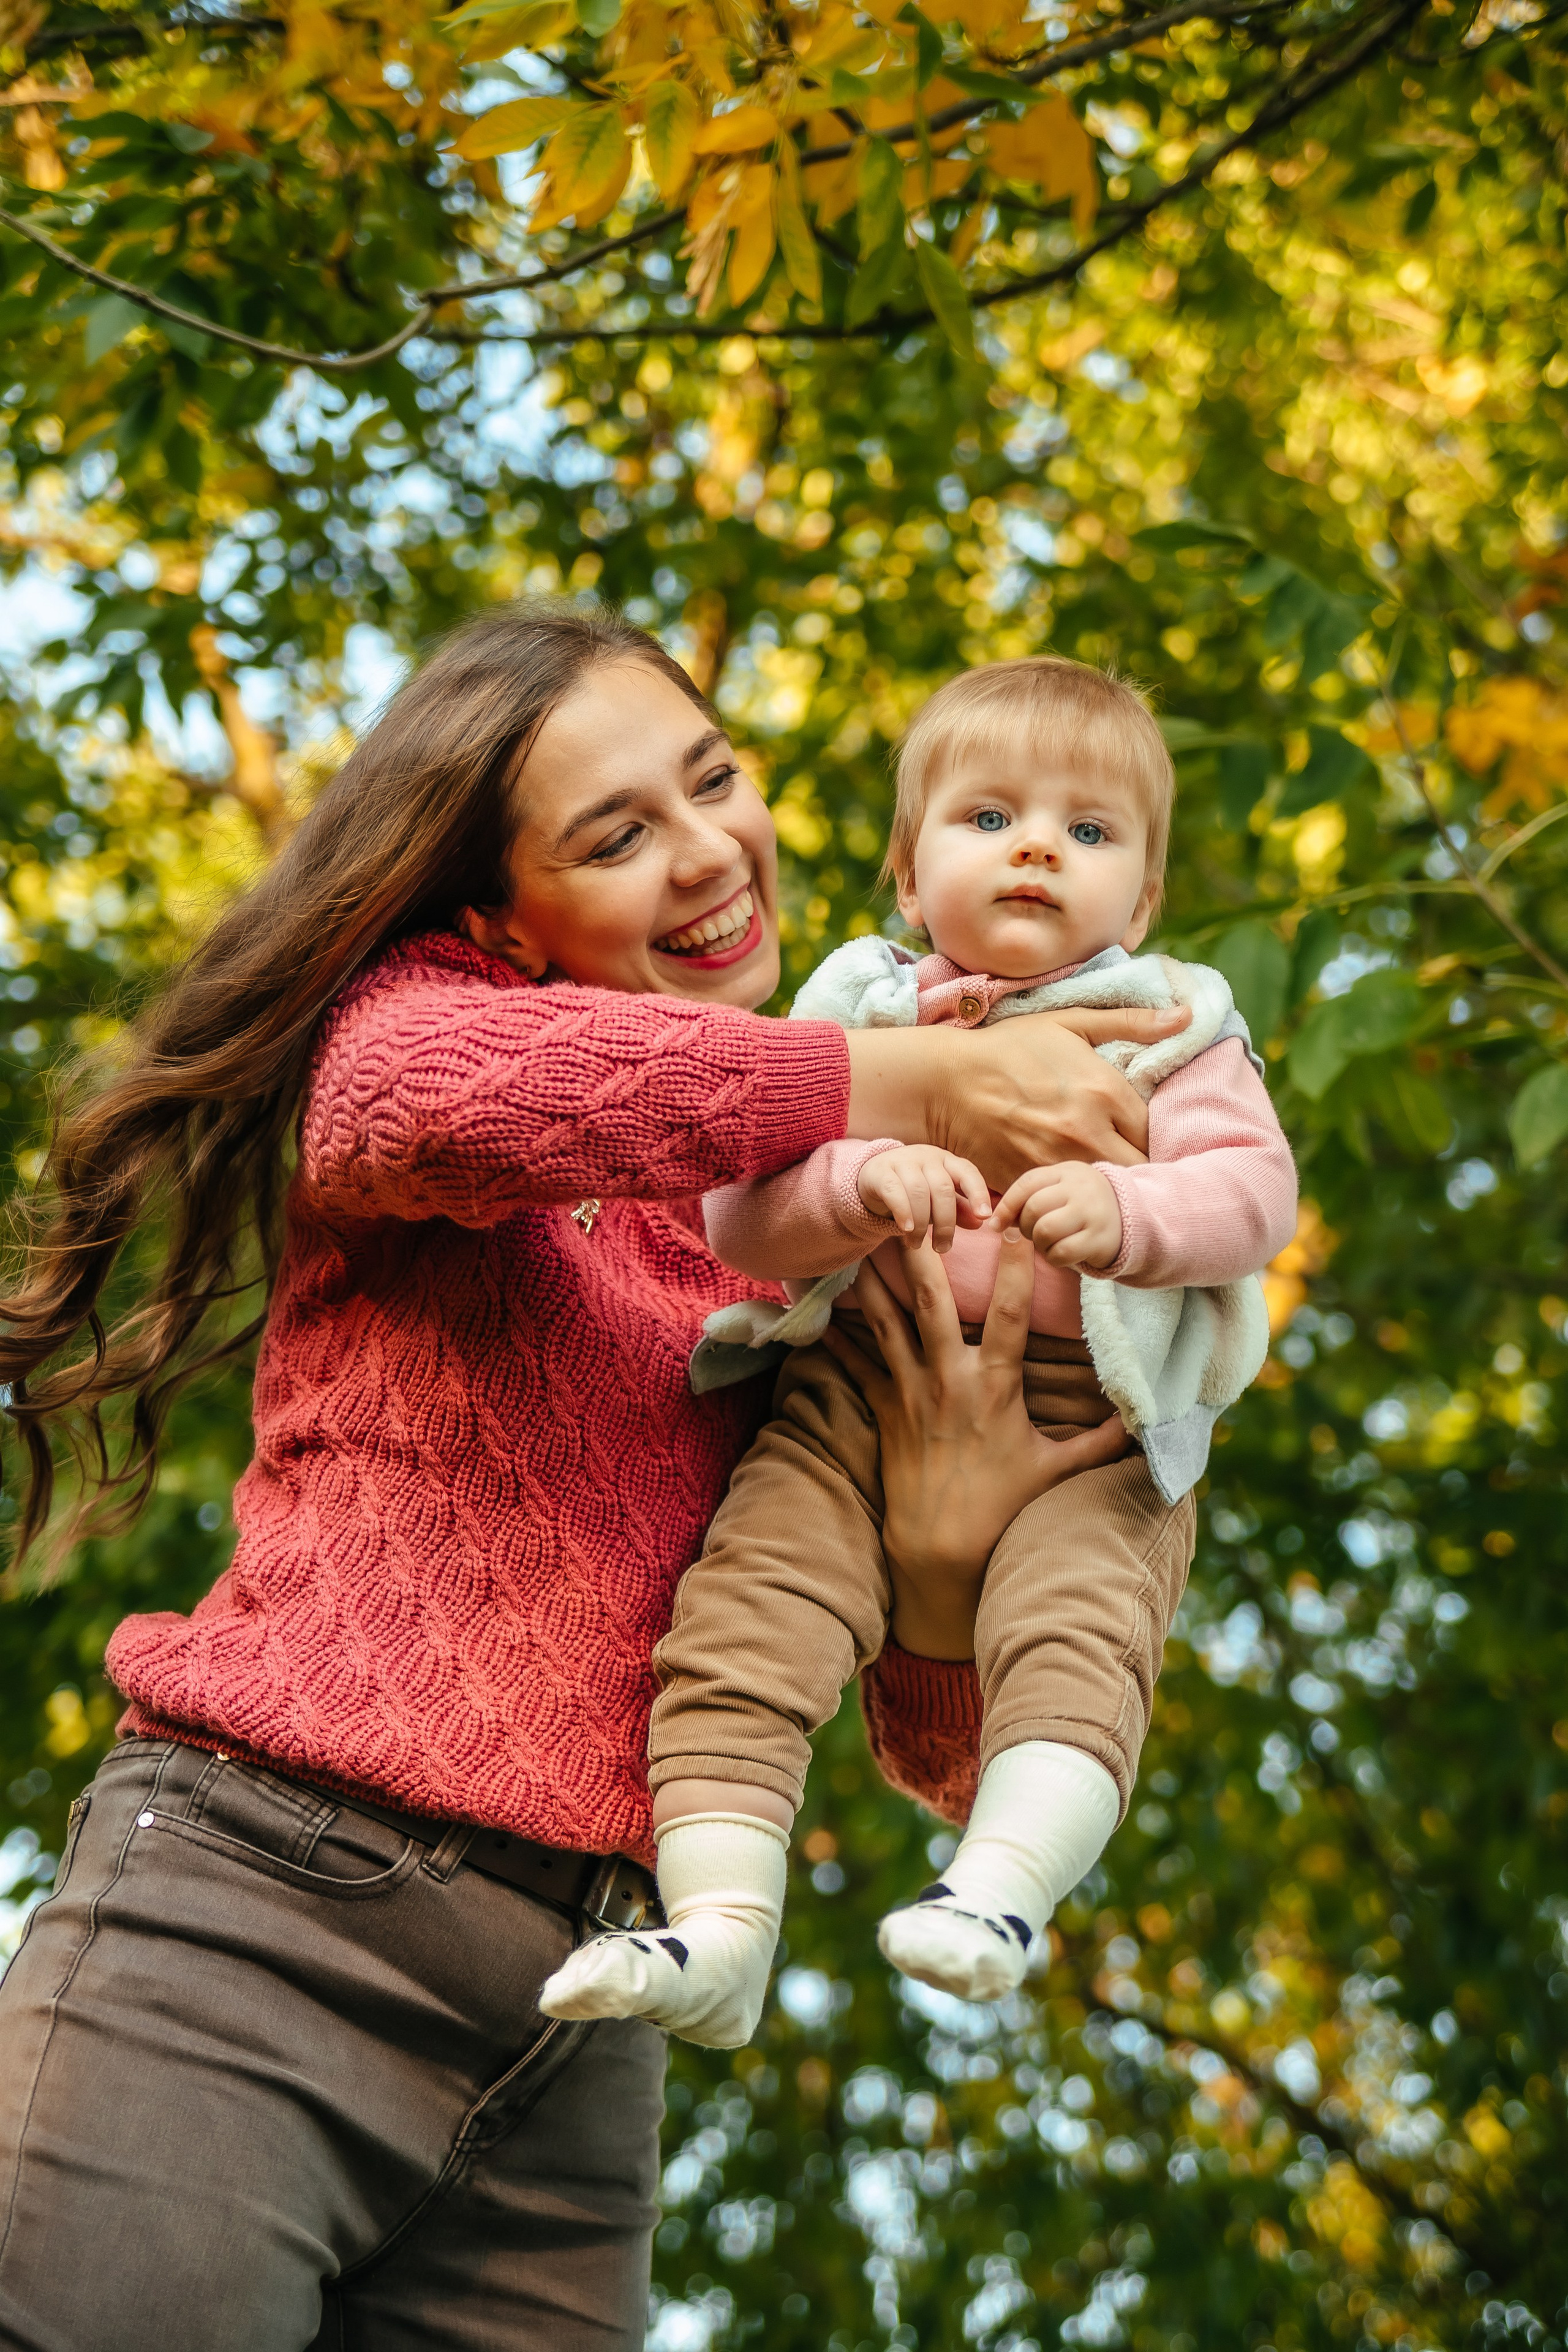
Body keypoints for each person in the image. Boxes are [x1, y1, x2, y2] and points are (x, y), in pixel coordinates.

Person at [0, 607, 1193, 2352]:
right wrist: (921, 1074)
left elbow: (940, 1753)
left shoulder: (828, 1220)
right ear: (498, 914)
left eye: (713, 780)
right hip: (265, 1929)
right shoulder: (442, 1030)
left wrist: (942, 1560)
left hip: (580, 2052)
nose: (709, 853)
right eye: (615, 836)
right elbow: (412, 1108)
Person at [543, 657, 1297, 2051]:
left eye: (1086, 832)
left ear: (1136, 904)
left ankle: (997, 1897)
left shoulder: (1170, 1020)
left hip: (1093, 1432)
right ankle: (715, 1930)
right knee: (741, 1620)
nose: (1033, 847)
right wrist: (853, 1184)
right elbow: (745, 1214)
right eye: (988, 816)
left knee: (1076, 1640)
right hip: (845, 1398)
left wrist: (1130, 1213)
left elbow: (1253, 1198)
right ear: (906, 873)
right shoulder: (857, 1017)